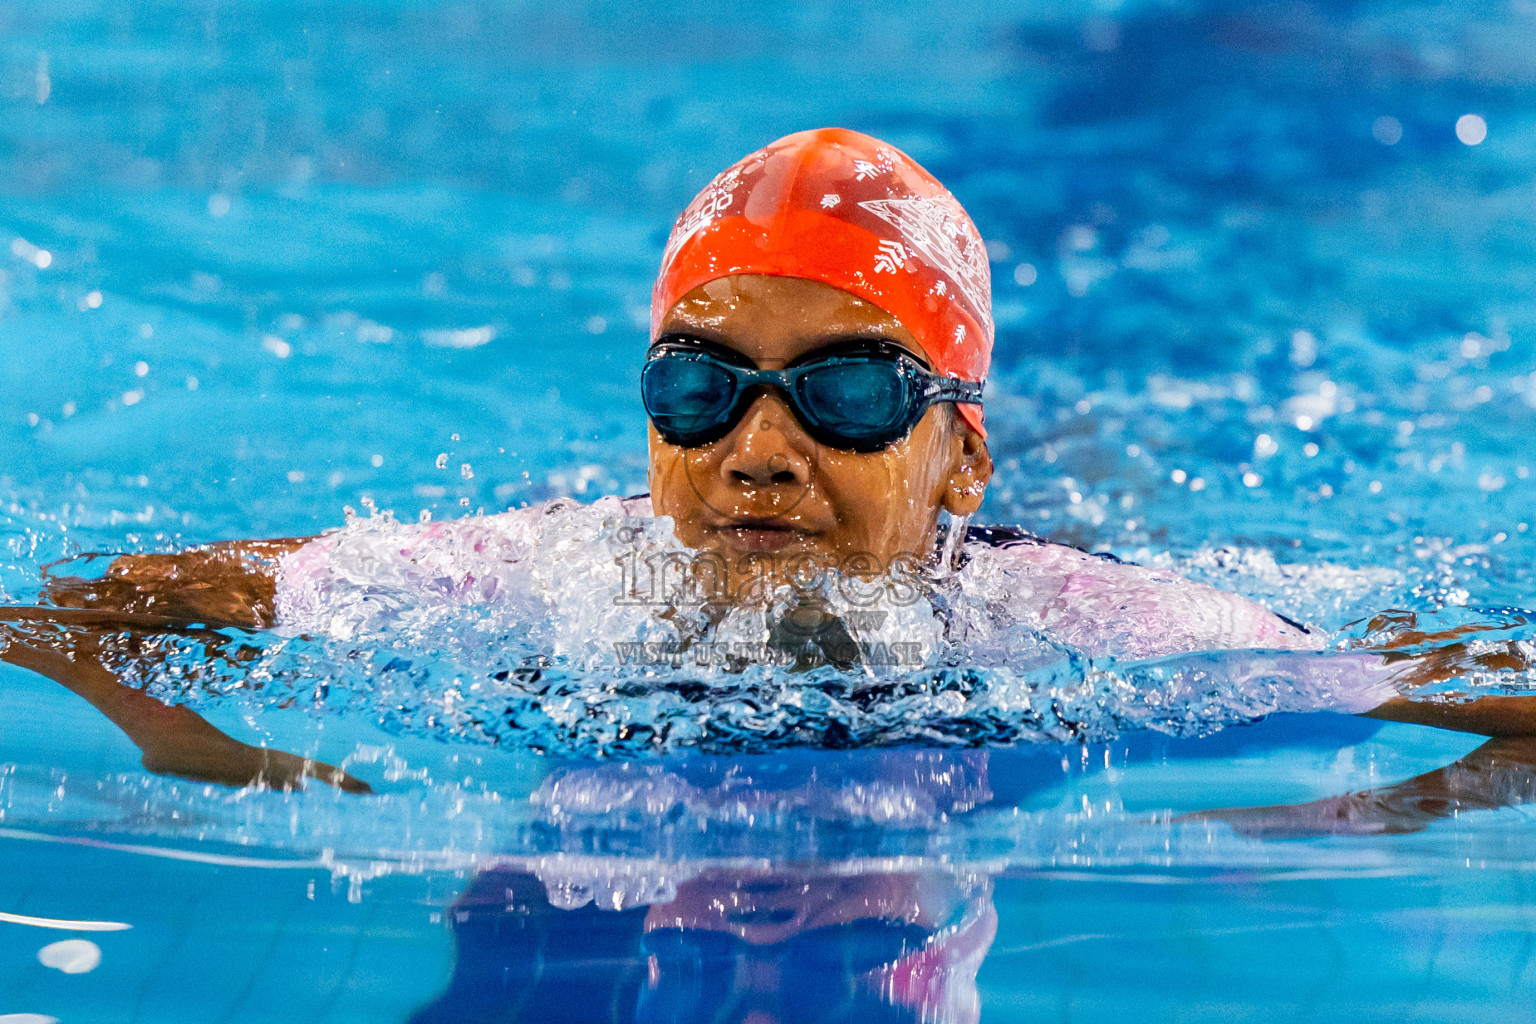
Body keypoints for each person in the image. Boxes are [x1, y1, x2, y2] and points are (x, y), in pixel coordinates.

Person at [6, 127, 1536, 1024]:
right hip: (568, 935)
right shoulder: (543, 576)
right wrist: (223, 760)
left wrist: (1366, 822)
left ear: (962, 464)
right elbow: (74, 608)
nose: (757, 450)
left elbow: (1504, 706)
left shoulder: (1068, 623)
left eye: (851, 394)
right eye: (700, 386)